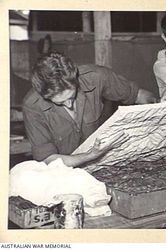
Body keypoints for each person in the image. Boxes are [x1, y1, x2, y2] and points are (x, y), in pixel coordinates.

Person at [23, 51, 157, 167]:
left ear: (75, 79)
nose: (69, 105)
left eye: (72, 96)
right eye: (60, 103)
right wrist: (91, 155)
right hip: (64, 169)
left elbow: (137, 95)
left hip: (102, 163)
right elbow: (48, 159)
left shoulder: (96, 77)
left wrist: (162, 103)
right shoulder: (33, 106)